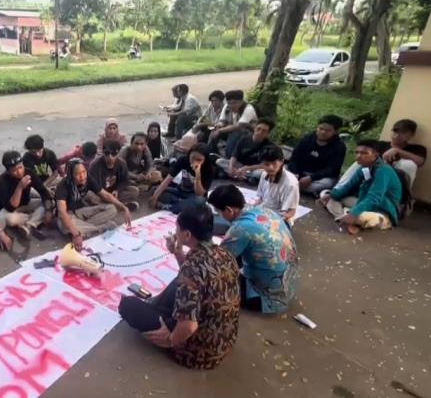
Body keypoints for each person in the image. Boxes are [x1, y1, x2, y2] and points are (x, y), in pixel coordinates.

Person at [118, 205, 239, 370]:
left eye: (177, 228)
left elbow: (190, 326)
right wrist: (177, 251)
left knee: (128, 305)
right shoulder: (224, 253)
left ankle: (164, 325)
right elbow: (193, 278)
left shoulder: (191, 268)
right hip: (225, 340)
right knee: (178, 281)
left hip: (199, 352)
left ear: (187, 234)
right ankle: (158, 310)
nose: (175, 232)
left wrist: (171, 341)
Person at [208, 185, 298, 314]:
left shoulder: (240, 229)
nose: (219, 216)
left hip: (268, 299)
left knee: (213, 280)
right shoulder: (265, 211)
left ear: (228, 210)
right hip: (289, 285)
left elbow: (215, 262)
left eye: (219, 212)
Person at [320, 140, 403, 235]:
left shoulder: (383, 171)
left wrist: (354, 213)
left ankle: (348, 217)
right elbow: (348, 186)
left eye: (364, 153)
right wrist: (331, 194)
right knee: (327, 195)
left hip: (382, 209)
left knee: (361, 217)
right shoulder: (364, 168)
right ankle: (346, 217)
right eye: (357, 152)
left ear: (375, 155)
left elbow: (374, 198)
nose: (359, 156)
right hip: (363, 201)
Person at [56, 158, 132, 250]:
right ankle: (101, 227)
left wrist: (124, 208)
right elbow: (62, 213)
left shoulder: (88, 179)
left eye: (84, 172)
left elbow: (106, 195)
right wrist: (76, 235)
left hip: (81, 211)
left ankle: (83, 230)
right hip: (67, 216)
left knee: (111, 208)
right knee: (65, 227)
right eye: (78, 174)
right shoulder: (63, 186)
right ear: (71, 175)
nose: (82, 176)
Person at [337, 119, 427, 190]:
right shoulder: (379, 145)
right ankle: (338, 188)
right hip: (372, 177)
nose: (397, 135)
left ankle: (401, 201)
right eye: (395, 131)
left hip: (394, 182)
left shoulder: (416, 149)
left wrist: (397, 151)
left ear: (411, 135)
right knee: (361, 161)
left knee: (409, 164)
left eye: (402, 133)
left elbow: (420, 162)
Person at [0, 151, 54, 239]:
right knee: (10, 220)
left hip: (26, 202)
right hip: (8, 211)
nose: (19, 172)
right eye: (14, 170)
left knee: (50, 203)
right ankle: (33, 219)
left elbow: (43, 192)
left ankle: (29, 225)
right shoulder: (2, 181)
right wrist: (19, 187)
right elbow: (11, 207)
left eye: (20, 167)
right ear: (8, 171)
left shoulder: (28, 172)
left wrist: (48, 210)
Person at [287, 115, 346, 195]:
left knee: (327, 183)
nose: (323, 132)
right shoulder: (307, 139)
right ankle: (295, 186)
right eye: (321, 129)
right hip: (300, 172)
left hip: (319, 178)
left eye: (328, 130)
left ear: (335, 132)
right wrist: (294, 173)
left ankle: (292, 187)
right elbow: (294, 159)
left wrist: (312, 178)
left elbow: (332, 169)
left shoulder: (339, 147)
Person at [150, 144, 214, 214]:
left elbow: (199, 194)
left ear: (205, 160)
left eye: (199, 160)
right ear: (189, 155)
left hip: (194, 196)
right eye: (193, 158)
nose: (195, 161)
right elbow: (169, 179)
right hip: (180, 191)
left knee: (199, 202)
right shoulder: (183, 160)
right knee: (155, 190)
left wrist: (197, 176)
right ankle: (180, 204)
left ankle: (170, 206)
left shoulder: (209, 169)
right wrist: (155, 196)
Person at [215, 118, 276, 183]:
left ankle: (238, 175)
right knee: (219, 161)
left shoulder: (269, 146)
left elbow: (264, 165)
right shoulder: (244, 138)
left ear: (267, 134)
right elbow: (234, 155)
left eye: (264, 131)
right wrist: (231, 166)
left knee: (263, 173)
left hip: (254, 169)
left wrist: (247, 168)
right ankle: (245, 177)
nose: (260, 132)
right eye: (258, 129)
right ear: (255, 128)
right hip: (240, 165)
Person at [88, 139, 140, 211]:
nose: (110, 157)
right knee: (90, 196)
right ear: (103, 152)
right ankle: (119, 206)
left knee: (134, 191)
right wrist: (106, 195)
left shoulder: (121, 163)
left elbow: (125, 180)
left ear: (118, 153)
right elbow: (93, 186)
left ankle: (108, 206)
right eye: (107, 153)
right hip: (100, 193)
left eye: (113, 154)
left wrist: (117, 190)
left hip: (114, 193)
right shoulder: (94, 165)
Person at [256, 145, 300, 224]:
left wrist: (273, 220)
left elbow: (291, 212)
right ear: (261, 164)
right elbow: (260, 198)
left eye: (274, 163)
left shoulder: (291, 183)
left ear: (282, 161)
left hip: (280, 219)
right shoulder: (264, 174)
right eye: (266, 164)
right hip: (263, 212)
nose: (271, 167)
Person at [208, 90, 258, 157]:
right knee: (213, 132)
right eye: (229, 103)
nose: (231, 105)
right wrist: (219, 126)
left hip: (248, 133)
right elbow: (222, 121)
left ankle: (229, 157)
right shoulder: (227, 107)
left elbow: (239, 126)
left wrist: (220, 130)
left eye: (234, 103)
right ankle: (212, 154)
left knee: (234, 134)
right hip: (231, 130)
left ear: (241, 102)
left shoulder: (248, 109)